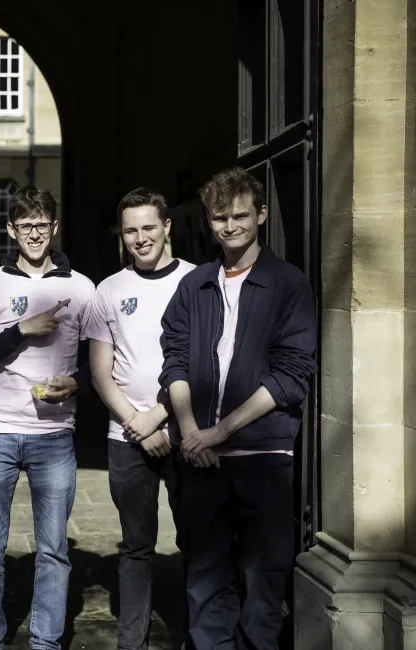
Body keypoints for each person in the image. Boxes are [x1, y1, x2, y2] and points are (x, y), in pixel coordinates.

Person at [160, 168, 317, 649]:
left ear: (261, 215)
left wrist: (220, 430)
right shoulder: (195, 285)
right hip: (201, 457)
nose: (230, 226)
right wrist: (191, 432)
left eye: (240, 216)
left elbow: (291, 375)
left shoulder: (287, 284)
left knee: (262, 580)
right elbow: (175, 361)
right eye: (220, 218)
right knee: (205, 579)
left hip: (262, 457)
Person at [0, 185, 95, 650]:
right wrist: (22, 330)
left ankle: (45, 641)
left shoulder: (80, 286)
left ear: (54, 227)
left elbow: (100, 362)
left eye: (43, 224)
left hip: (54, 434)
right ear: (11, 230)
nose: (35, 234)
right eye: (26, 226)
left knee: (54, 551)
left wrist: (76, 383)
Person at [85, 188, 195, 650]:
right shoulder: (108, 290)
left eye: (149, 227)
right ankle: (132, 641)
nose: (140, 238)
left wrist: (159, 417)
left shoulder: (197, 281)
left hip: (187, 432)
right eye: (131, 230)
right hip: (125, 436)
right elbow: (99, 371)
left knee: (198, 544)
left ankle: (198, 635)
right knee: (135, 547)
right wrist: (136, 421)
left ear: (167, 226)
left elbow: (208, 364)